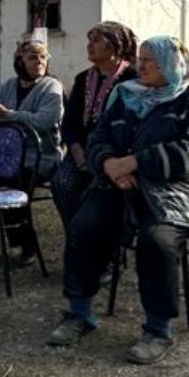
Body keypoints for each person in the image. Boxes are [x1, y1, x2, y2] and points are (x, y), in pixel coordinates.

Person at [47, 36, 189, 365]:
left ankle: (158, 330)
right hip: (122, 184)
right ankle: (80, 313)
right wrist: (109, 166)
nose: (141, 66)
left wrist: (134, 162)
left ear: (172, 65)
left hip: (180, 191)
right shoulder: (128, 96)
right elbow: (100, 137)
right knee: (84, 225)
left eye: (150, 61)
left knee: (156, 239)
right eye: (141, 59)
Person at [0, 39, 64, 267]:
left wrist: (8, 115)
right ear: (19, 61)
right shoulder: (8, 86)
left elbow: (44, 121)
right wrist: (6, 117)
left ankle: (26, 245)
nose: (39, 61)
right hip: (2, 153)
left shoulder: (51, 87)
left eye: (43, 57)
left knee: (14, 186)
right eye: (32, 57)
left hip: (36, 157)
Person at [52, 22, 138, 227]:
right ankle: (76, 235)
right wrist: (79, 154)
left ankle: (110, 248)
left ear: (115, 45)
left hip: (116, 154)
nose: (90, 46)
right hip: (80, 152)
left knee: (105, 192)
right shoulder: (83, 79)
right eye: (89, 41)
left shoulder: (132, 80)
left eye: (97, 41)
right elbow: (70, 123)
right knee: (62, 183)